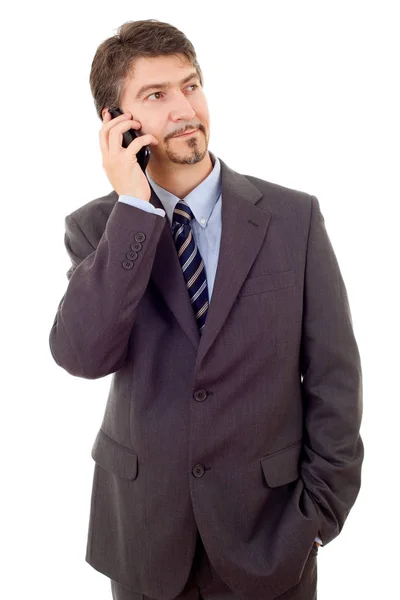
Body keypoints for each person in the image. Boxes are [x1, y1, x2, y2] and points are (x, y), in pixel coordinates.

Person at [49, 18, 364, 600]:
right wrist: (135, 211)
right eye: (156, 95)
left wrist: (319, 517)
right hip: (144, 538)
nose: (185, 109)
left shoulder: (294, 219)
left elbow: (334, 380)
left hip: (272, 537)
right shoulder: (97, 228)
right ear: (117, 124)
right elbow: (83, 355)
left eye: (191, 85)